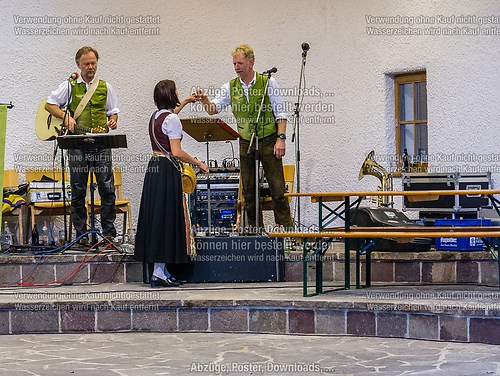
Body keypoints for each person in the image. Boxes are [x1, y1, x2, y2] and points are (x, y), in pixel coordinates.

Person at [197, 44, 292, 231]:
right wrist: (205, 100)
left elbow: (280, 113)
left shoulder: (268, 82)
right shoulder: (230, 87)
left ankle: (288, 232)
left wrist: (281, 138)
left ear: (251, 62)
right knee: (249, 191)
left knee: (277, 189)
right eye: (234, 63)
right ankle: (257, 232)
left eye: (240, 63)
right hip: (246, 140)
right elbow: (213, 109)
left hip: (269, 138)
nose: (236, 67)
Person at [134, 80, 209, 288]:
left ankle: (161, 269)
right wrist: (198, 162)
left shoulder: (155, 116)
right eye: (176, 92)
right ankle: (159, 272)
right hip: (167, 170)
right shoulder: (173, 119)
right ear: (170, 94)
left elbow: (171, 114)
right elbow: (176, 152)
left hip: (154, 169)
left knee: (157, 216)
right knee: (166, 218)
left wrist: (185, 101)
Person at [45, 46, 119, 242]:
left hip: (101, 142)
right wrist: (65, 116)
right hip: (77, 143)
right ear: (78, 64)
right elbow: (49, 104)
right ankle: (81, 234)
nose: (91, 67)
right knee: (78, 189)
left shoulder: (105, 86)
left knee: (106, 188)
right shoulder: (69, 86)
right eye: (86, 64)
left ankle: (108, 233)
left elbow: (113, 111)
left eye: (93, 63)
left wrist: (113, 120)